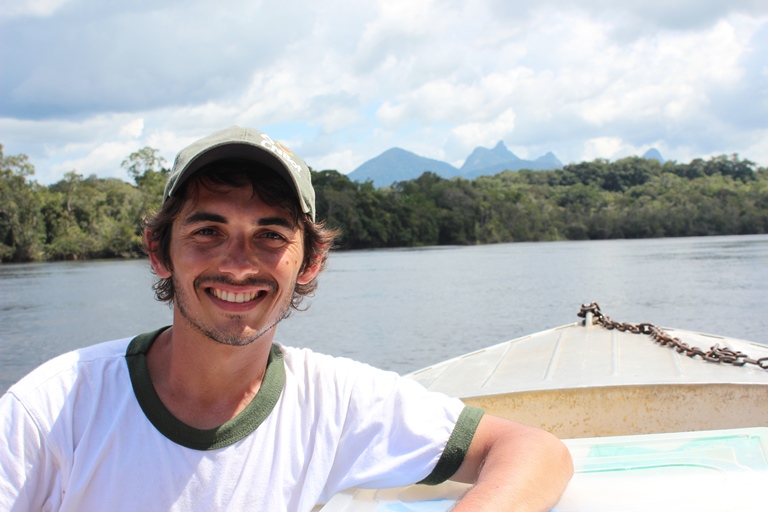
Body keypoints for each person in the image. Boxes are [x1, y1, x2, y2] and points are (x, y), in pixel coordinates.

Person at [0, 127, 573, 511]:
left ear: (310, 262)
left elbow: (534, 451)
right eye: (207, 231)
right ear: (159, 251)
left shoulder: (333, 401)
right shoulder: (55, 408)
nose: (238, 263)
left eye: (270, 235)